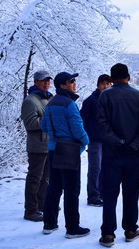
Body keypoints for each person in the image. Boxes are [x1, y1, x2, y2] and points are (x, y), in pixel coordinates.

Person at [96, 63, 139, 247]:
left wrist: (117, 141)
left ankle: (108, 234)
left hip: (111, 154)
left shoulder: (105, 96)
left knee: (110, 194)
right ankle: (130, 230)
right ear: (128, 77)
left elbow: (102, 125)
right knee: (131, 192)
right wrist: (134, 144)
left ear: (111, 79)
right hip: (133, 155)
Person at [40, 72, 90, 239]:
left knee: (54, 187)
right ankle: (72, 228)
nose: (74, 83)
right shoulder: (69, 104)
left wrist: (57, 135)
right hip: (68, 151)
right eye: (71, 81)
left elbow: (44, 126)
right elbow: (77, 129)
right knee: (71, 189)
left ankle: (49, 223)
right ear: (63, 85)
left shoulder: (50, 104)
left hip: (53, 150)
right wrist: (86, 140)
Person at [21, 70, 53, 222]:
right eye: (43, 80)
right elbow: (30, 123)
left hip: (48, 144)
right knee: (34, 178)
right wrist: (50, 121)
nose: (47, 83)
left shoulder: (47, 98)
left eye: (48, 80)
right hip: (37, 145)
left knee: (45, 178)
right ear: (35, 82)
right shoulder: (31, 100)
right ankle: (30, 210)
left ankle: (42, 204)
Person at [80, 74, 112, 207]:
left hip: (108, 140)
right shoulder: (90, 101)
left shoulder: (112, 100)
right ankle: (93, 196)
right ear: (97, 85)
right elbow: (82, 120)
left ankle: (102, 194)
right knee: (95, 167)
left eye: (108, 83)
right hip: (94, 140)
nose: (105, 86)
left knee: (106, 168)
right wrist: (87, 135)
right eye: (103, 84)